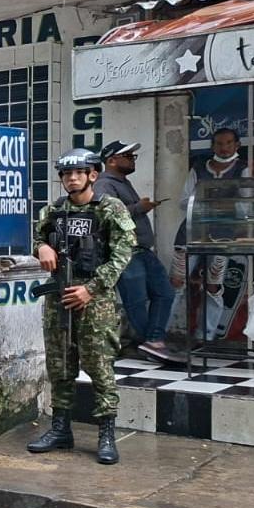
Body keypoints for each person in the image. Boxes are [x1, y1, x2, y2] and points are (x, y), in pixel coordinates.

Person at [28, 149, 137, 465]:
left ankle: (106, 434)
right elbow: (37, 236)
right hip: (59, 298)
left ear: (93, 175)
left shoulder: (109, 208)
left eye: (79, 172)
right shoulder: (54, 209)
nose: (71, 178)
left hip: (95, 302)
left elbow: (122, 254)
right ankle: (60, 428)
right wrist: (42, 246)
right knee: (60, 365)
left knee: (100, 365)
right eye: (66, 174)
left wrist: (91, 289)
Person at [95, 140, 177, 361]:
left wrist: (140, 207)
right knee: (136, 300)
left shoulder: (122, 182)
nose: (132, 160)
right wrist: (140, 207)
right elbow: (107, 216)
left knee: (165, 293)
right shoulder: (104, 185)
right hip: (126, 252)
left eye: (133, 156)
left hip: (142, 251)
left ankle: (153, 339)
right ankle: (149, 341)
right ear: (111, 161)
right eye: (128, 156)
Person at [172, 127, 251, 340]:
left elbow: (245, 207)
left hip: (223, 235)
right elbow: (183, 201)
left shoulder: (243, 169)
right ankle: (161, 333)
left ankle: (205, 335)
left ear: (237, 145)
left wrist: (209, 204)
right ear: (212, 146)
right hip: (189, 233)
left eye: (228, 143)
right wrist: (222, 205)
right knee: (177, 281)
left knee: (214, 284)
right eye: (219, 143)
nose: (223, 148)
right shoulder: (198, 168)